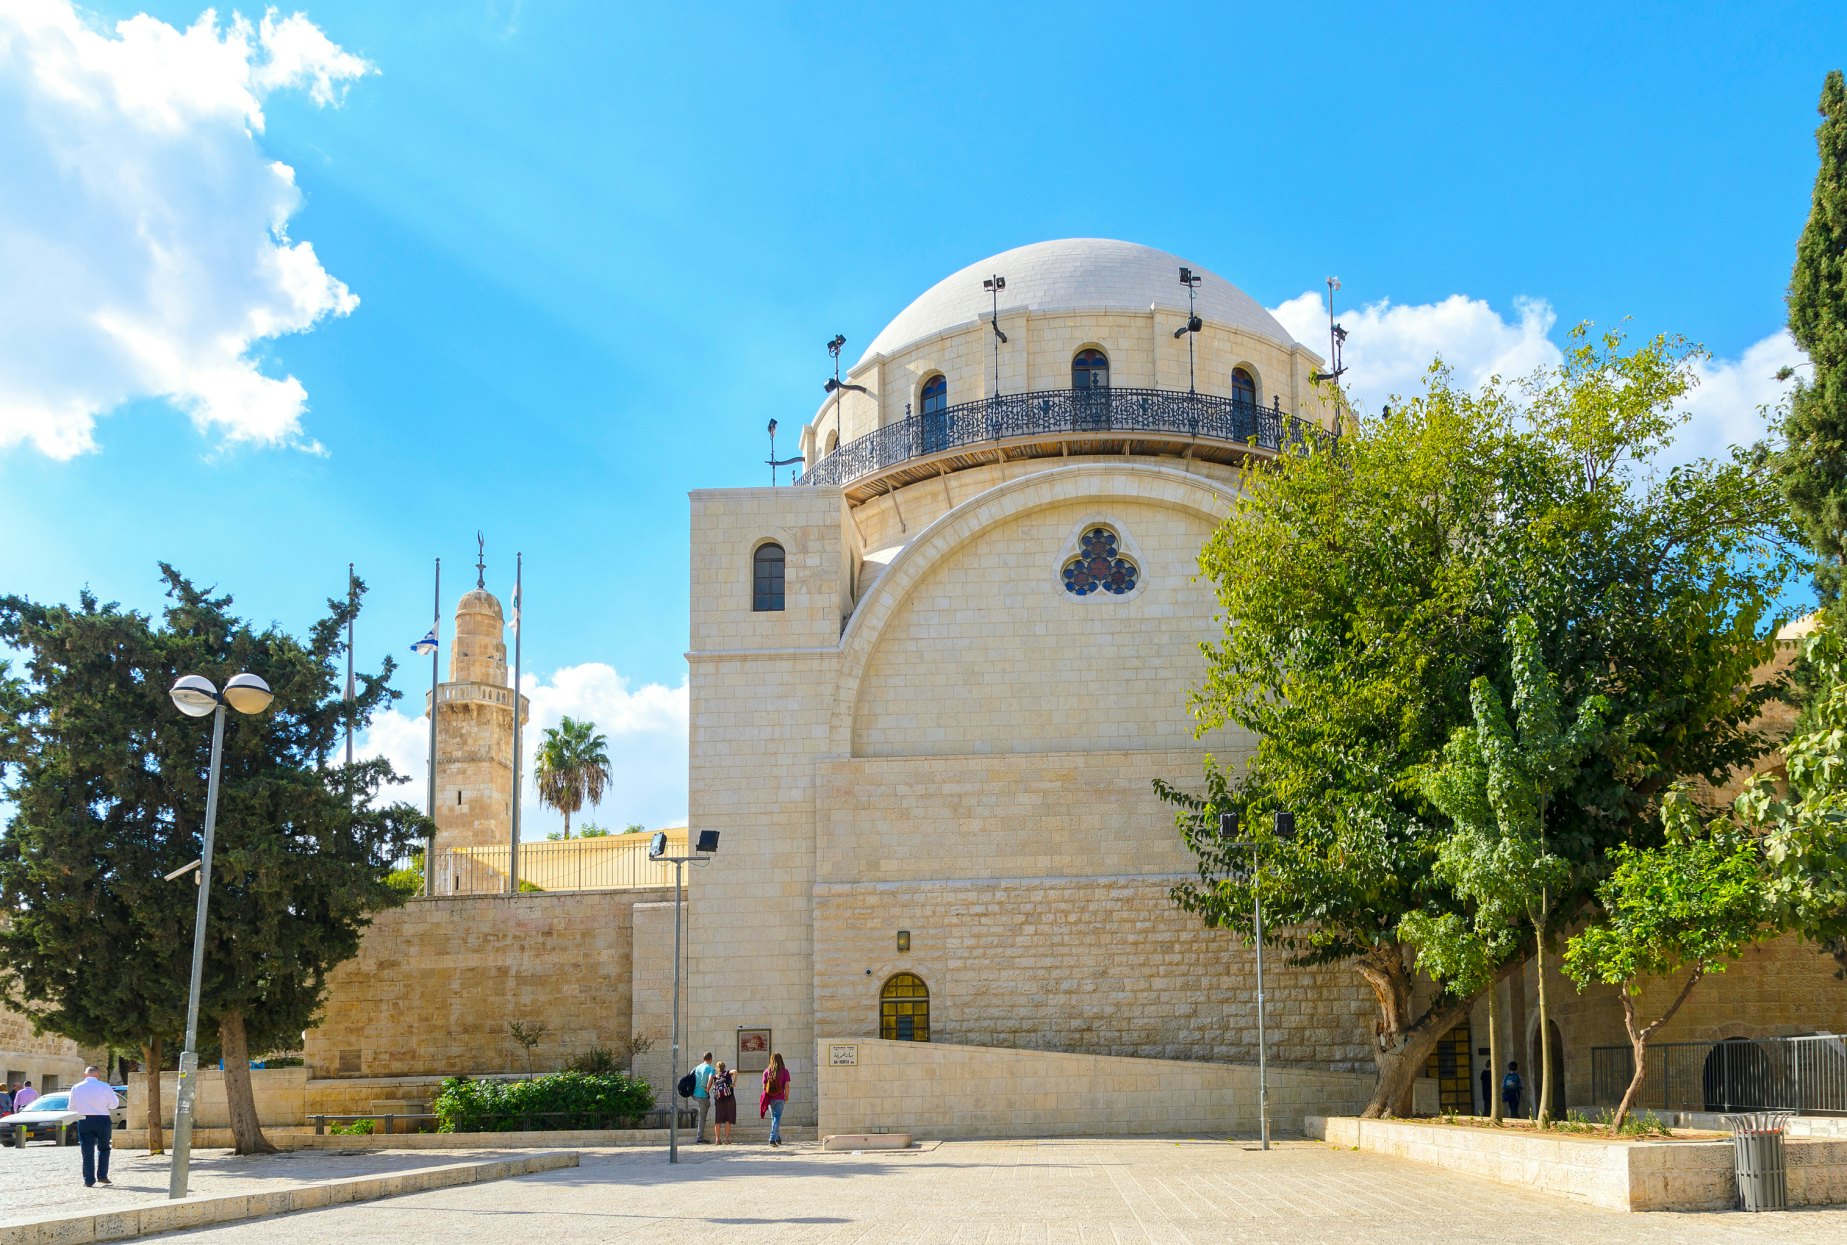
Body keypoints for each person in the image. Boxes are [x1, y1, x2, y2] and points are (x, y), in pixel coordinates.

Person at [69, 1067, 116, 1187]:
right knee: (104, 1148)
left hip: (84, 1119)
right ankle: (102, 1175)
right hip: (102, 1119)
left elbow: (71, 1107)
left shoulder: (76, 1087)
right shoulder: (105, 1086)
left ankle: (88, 1180)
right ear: (98, 1075)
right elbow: (114, 1105)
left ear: (85, 1074)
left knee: (87, 1150)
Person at [760, 1052, 790, 1147]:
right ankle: (772, 1139)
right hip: (780, 1097)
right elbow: (787, 1086)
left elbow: (764, 1087)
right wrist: (786, 1096)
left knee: (774, 1117)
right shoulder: (785, 1072)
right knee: (777, 1117)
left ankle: (777, 1138)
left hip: (770, 1098)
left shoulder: (766, 1071)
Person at [692, 1052, 716, 1143]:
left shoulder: (697, 1067)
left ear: (703, 1059)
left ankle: (700, 1136)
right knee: (702, 1117)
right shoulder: (710, 1068)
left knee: (706, 1106)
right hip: (702, 1094)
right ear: (711, 1059)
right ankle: (699, 1138)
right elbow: (710, 1078)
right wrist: (708, 1088)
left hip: (695, 1094)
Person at [710, 1060, 736, 1144]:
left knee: (718, 1120)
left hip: (719, 1100)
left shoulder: (715, 1077)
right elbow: (735, 1071)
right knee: (728, 1120)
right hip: (729, 1099)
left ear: (717, 1068)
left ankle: (717, 1139)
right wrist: (734, 1082)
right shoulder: (727, 1074)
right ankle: (727, 1139)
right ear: (724, 1067)